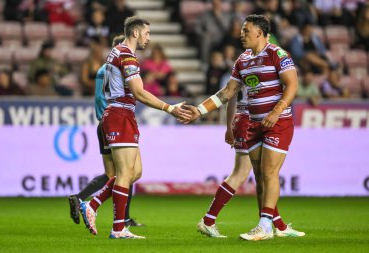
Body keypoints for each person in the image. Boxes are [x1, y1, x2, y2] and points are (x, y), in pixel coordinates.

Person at [182, 14, 302, 240]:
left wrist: (276, 112)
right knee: (259, 177)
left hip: (278, 122)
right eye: (241, 30)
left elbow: (292, 85)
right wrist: (199, 110)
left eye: (246, 30)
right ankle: (271, 224)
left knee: (269, 172)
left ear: (260, 32)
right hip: (254, 124)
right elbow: (227, 93)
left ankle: (267, 226)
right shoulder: (243, 60)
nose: (241, 34)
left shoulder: (278, 55)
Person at [79, 16, 191, 239]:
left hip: (122, 114)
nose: (149, 38)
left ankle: (95, 204)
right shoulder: (127, 56)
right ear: (135, 33)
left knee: (134, 172)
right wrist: (169, 108)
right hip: (120, 114)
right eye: (147, 33)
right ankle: (117, 227)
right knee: (124, 174)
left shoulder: (117, 52)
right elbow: (139, 92)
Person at [68, 35, 143, 228]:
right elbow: (106, 98)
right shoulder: (114, 69)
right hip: (113, 122)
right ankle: (117, 216)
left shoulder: (104, 68)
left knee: (114, 173)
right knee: (127, 171)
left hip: (106, 121)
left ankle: (81, 199)